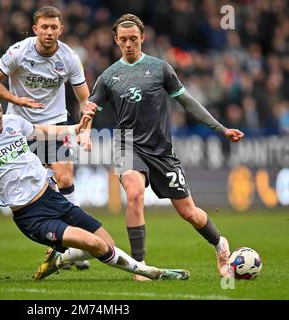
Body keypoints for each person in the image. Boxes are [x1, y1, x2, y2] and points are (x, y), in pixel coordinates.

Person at [0, 90, 190, 282]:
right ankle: (153, 273)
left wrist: (77, 129)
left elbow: (45, 130)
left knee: (105, 243)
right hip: (31, 216)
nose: (0, 117)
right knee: (96, 246)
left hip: (54, 198)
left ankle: (61, 257)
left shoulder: (14, 123)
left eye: (0, 111)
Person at [83, 14, 245, 280]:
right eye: (123, 40)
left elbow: (189, 103)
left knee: (189, 213)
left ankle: (220, 243)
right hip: (126, 146)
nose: (128, 44)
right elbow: (90, 108)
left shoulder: (160, 69)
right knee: (134, 194)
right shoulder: (108, 77)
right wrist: (85, 130)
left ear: (143, 38)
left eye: (133, 39)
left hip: (161, 151)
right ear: (115, 40)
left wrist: (221, 129)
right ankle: (140, 266)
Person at [0, 6, 92, 270]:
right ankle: (60, 245)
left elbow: (84, 99)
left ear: (60, 30)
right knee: (43, 188)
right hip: (21, 128)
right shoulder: (18, 52)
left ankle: (75, 246)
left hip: (56, 124)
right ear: (35, 29)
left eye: (54, 27)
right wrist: (15, 99)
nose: (49, 32)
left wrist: (86, 130)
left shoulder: (69, 57)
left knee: (65, 178)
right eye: (44, 27)